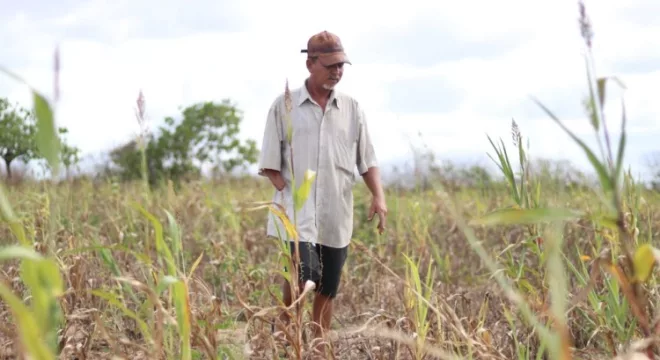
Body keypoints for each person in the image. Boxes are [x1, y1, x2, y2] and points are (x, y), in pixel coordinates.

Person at [257, 30, 387, 351]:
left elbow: (366, 160)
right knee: (305, 277)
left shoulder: (353, 109)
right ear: (310, 63)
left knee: (328, 285)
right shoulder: (284, 106)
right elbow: (270, 163)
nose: (337, 71)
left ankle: (318, 344)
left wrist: (378, 197)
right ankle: (285, 332)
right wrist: (289, 193)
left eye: (341, 65)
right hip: (297, 215)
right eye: (329, 65)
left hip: (336, 215)